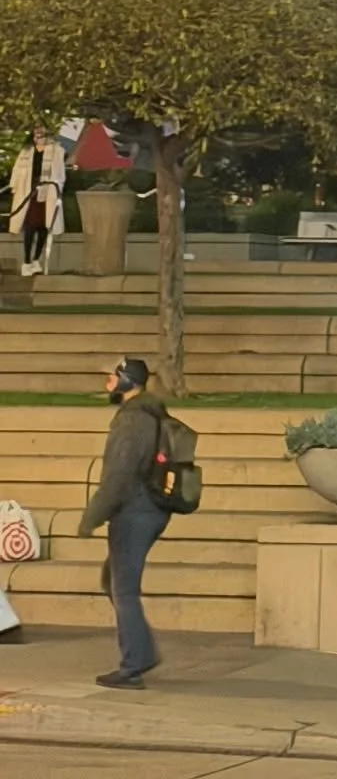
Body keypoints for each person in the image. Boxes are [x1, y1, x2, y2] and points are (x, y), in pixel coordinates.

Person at [79, 358, 169, 688]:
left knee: (123, 589)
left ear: (128, 381)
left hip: (136, 509)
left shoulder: (133, 419)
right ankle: (141, 653)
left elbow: (120, 473)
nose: (107, 381)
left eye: (112, 377)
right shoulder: (148, 413)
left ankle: (133, 667)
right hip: (148, 508)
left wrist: (93, 516)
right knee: (112, 579)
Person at [7, 125, 66, 277]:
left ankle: (35, 260)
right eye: (36, 133)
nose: (38, 135)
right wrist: (14, 187)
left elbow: (60, 173)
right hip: (29, 191)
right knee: (30, 226)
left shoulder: (55, 151)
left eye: (41, 132)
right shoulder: (26, 151)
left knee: (43, 227)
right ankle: (26, 261)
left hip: (47, 192)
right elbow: (16, 172)